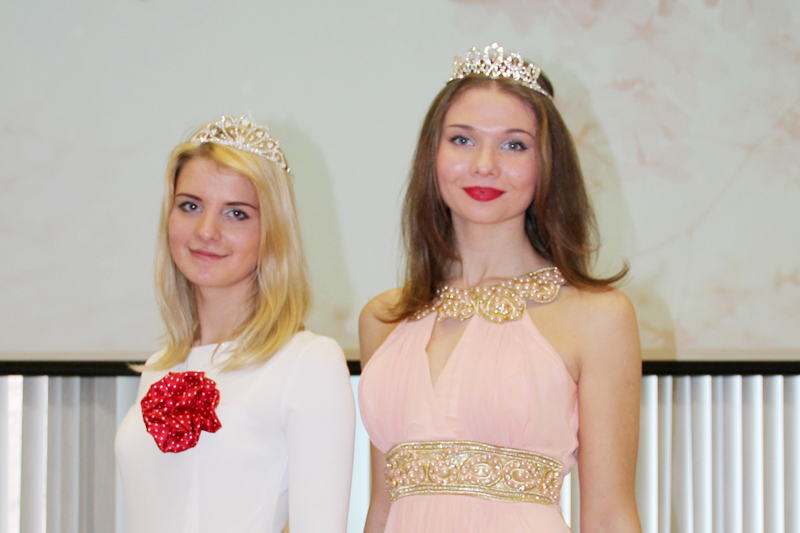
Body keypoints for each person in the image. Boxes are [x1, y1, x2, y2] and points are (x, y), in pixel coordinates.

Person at [358, 44, 642, 532]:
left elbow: (610, 514)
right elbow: (382, 508)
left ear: (547, 163)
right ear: (432, 155)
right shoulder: (384, 318)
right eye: (462, 140)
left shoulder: (598, 316)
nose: (484, 164)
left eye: (514, 145)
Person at [115, 114, 355, 533]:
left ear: (272, 231)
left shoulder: (308, 362)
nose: (206, 231)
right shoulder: (158, 366)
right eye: (190, 206)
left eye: (237, 214)